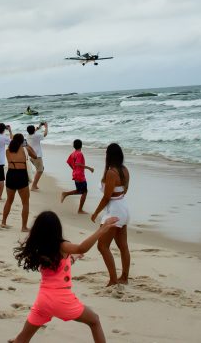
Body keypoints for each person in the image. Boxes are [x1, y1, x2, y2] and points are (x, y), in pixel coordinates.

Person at [10, 211, 118, 343]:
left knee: (22, 339)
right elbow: (81, 248)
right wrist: (101, 230)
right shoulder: (61, 245)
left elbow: (59, 266)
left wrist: (73, 258)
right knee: (94, 321)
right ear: (57, 229)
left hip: (43, 300)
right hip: (61, 299)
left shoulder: (40, 248)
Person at [90, 143, 131, 287]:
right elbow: (125, 190)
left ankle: (113, 279)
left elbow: (106, 197)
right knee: (123, 246)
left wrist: (95, 212)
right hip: (123, 207)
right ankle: (124, 277)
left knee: (102, 245)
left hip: (114, 210)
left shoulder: (111, 172)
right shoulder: (124, 170)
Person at [2, 134, 37, 231]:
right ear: (22, 141)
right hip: (21, 176)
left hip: (10, 175)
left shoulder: (7, 151)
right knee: (25, 203)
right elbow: (35, 156)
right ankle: (24, 227)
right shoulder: (25, 149)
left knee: (9, 200)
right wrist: (28, 145)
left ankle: (3, 222)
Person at [60, 139, 94, 214]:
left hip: (76, 174)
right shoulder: (79, 154)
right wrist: (89, 168)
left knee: (80, 191)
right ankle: (80, 210)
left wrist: (74, 169)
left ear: (74, 146)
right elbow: (78, 163)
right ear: (81, 145)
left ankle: (65, 194)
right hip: (80, 175)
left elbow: (68, 162)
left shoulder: (73, 154)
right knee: (84, 192)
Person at [26, 122, 48, 191]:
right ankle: (33, 186)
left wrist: (39, 126)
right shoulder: (36, 136)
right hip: (37, 156)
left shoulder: (28, 136)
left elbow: (33, 132)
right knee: (40, 170)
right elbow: (45, 134)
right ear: (33, 130)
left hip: (31, 155)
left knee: (40, 169)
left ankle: (34, 185)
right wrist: (46, 127)